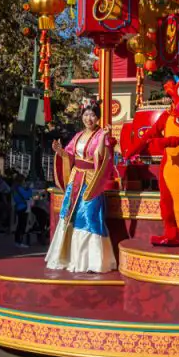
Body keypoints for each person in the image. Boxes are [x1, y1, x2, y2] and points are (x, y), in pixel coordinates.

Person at [45, 98, 117, 273]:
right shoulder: (77, 136)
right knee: (70, 216)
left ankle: (92, 261)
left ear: (98, 117)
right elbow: (70, 155)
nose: (89, 118)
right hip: (75, 180)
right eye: (86, 115)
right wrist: (60, 152)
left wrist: (103, 138)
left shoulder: (102, 134)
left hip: (92, 181)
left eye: (92, 115)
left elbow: (101, 156)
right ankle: (69, 258)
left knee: (90, 216)